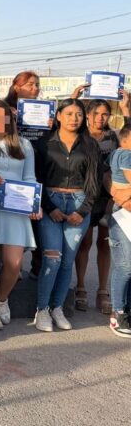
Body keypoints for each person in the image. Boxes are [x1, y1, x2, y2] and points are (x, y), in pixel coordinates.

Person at [33, 98, 101, 332]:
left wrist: (82, 211)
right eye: (69, 113)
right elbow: (37, 179)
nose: (74, 118)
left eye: (79, 114)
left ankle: (57, 307)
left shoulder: (90, 145)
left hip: (79, 203)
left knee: (66, 262)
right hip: (51, 203)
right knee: (52, 258)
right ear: (59, 116)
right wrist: (50, 207)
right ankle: (42, 309)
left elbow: (94, 183)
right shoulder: (44, 143)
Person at [0, 99, 40, 331]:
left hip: (16, 208)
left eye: (3, 117)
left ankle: (2, 298)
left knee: (14, 263)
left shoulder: (24, 144)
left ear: (10, 119)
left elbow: (30, 177)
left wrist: (35, 204)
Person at [73, 99, 119, 314]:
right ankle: (80, 287)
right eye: (96, 114)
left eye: (105, 114)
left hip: (108, 196)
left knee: (105, 242)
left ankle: (103, 291)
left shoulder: (113, 137)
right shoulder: (80, 135)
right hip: (85, 195)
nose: (100, 118)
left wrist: (125, 108)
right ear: (88, 115)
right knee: (84, 242)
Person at [106, 125, 131, 337]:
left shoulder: (116, 153)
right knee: (125, 265)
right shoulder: (126, 155)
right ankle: (118, 313)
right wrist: (118, 192)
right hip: (124, 214)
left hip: (123, 208)